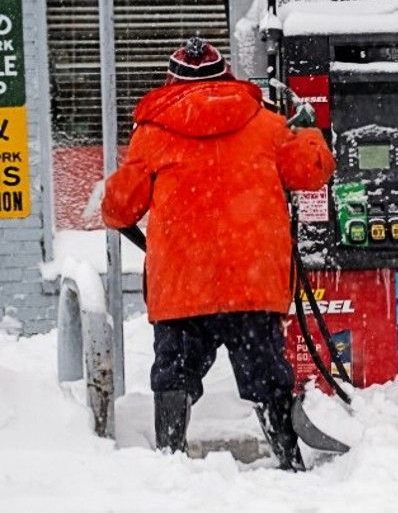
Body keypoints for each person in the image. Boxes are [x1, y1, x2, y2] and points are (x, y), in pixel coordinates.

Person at [101, 37, 335, 470]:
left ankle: (169, 463)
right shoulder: (266, 124)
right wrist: (307, 130)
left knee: (173, 374)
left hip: (183, 288)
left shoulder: (153, 135)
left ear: (171, 81)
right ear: (226, 75)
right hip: (251, 283)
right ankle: (289, 460)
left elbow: (118, 208)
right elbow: (313, 171)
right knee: (267, 376)